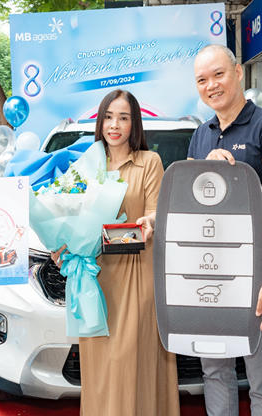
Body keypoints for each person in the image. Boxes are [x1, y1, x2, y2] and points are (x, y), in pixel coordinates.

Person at [53, 89, 180, 415]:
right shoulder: (85, 166)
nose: (114, 125)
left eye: (123, 118)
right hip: (92, 282)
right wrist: (61, 244)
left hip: (136, 276)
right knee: (100, 368)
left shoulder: (149, 162)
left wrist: (150, 222)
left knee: (132, 363)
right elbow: (65, 217)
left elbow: (155, 212)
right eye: (108, 117)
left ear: (134, 123)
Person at [187, 44, 262, 416]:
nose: (212, 85)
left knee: (261, 370)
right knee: (214, 369)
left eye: (218, 74)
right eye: (202, 80)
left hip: (254, 271)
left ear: (237, 73)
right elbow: (191, 207)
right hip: (208, 268)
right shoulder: (200, 136)